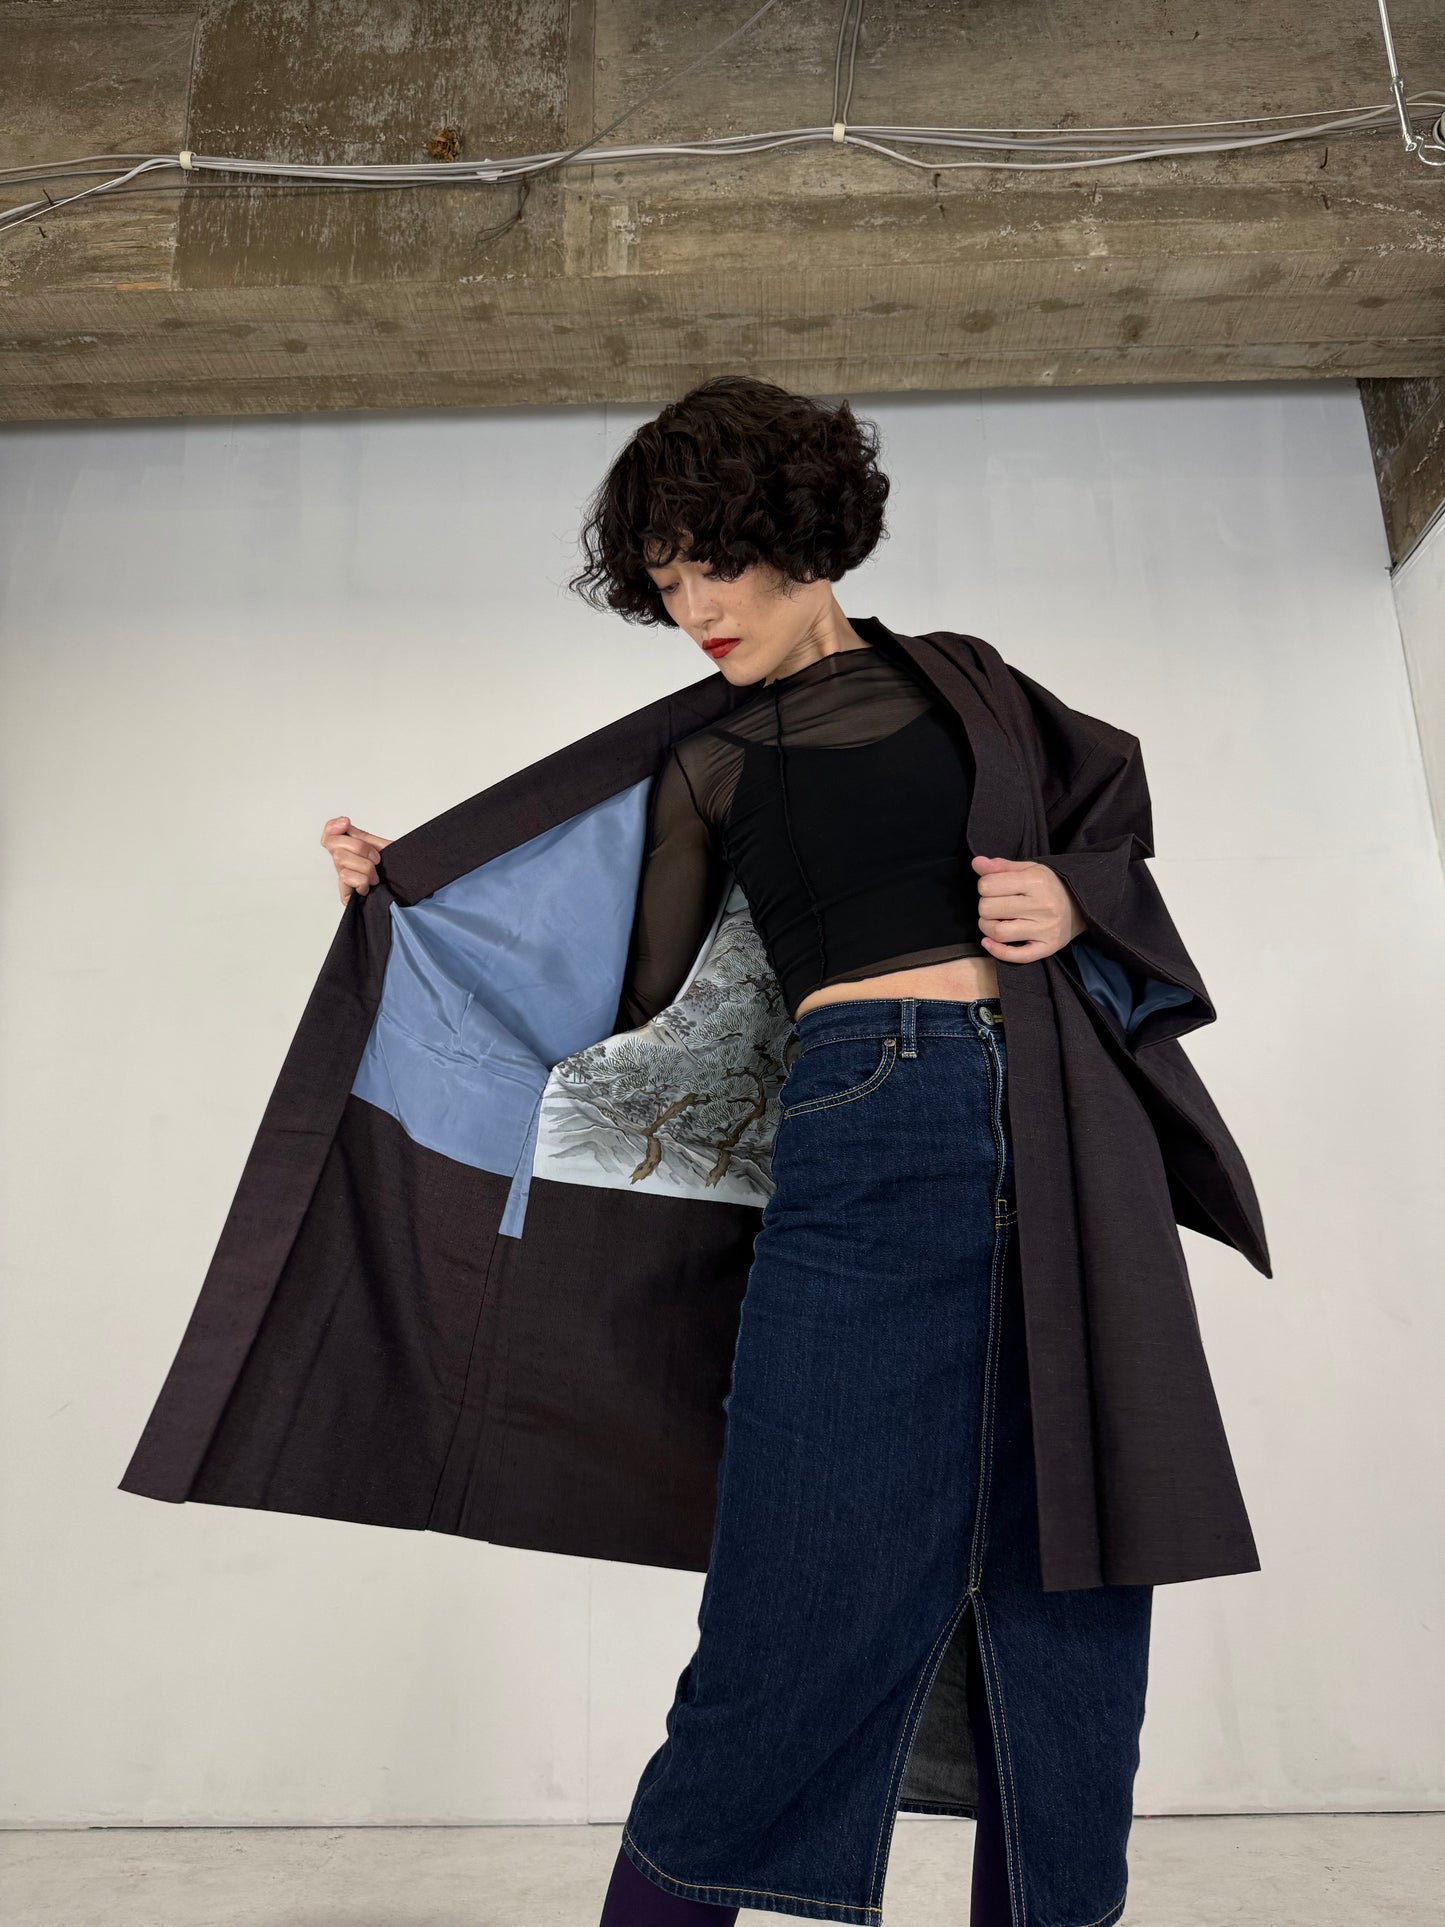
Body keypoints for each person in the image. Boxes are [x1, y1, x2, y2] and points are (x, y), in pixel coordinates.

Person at [320, 378, 1160, 1927]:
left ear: (802, 535)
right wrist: (411, 895)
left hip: (1056, 1139)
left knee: (1067, 1561)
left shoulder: (972, 687)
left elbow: (1106, 832)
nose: (693, 609)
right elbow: (617, 987)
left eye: (714, 563)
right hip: (861, 1126)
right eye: (663, 582)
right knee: (797, 1574)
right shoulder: (712, 761)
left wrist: (1073, 905)